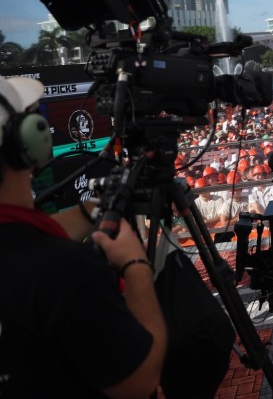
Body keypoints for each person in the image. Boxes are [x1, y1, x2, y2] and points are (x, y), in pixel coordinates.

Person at [0, 76, 167, 398]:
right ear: (28, 142)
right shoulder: (65, 269)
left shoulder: (37, 258)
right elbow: (141, 381)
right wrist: (136, 267)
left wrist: (88, 212)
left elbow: (19, 242)